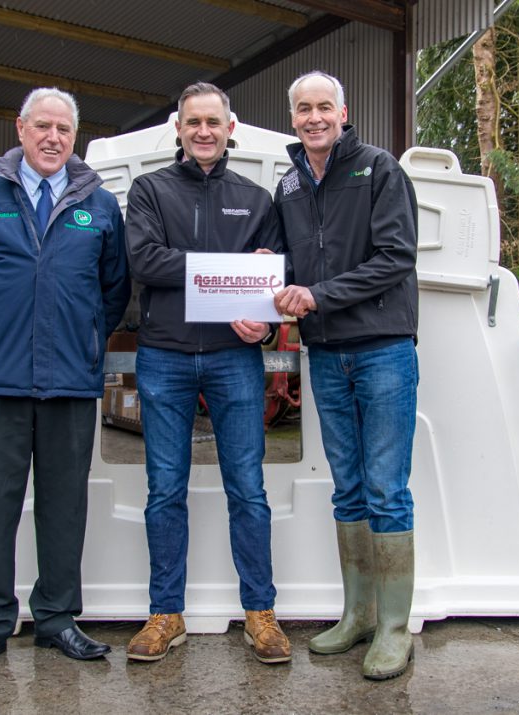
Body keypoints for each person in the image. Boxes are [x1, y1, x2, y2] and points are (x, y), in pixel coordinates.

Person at [0, 87, 131, 678]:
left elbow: (114, 291)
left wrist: (84, 338)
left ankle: (58, 619)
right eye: (42, 126)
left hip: (70, 379)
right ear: (20, 129)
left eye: (63, 129)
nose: (52, 138)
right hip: (0, 380)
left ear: (75, 137)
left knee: (64, 504)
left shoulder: (99, 204)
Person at [123, 82, 291, 664]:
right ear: (178, 127)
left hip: (233, 358)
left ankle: (260, 613)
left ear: (229, 127)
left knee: (248, 488)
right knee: (164, 489)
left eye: (212, 122)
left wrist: (264, 326)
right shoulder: (149, 190)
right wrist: (229, 269)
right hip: (164, 355)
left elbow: (271, 284)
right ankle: (166, 614)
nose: (203, 131)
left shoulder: (256, 199)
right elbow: (145, 260)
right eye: (193, 121)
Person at [272, 71, 419, 680]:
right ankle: (358, 614)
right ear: (293, 117)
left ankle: (394, 627)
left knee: (387, 489)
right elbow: (288, 261)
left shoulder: (378, 169)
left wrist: (318, 296)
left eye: (324, 107)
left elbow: (396, 257)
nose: (314, 118)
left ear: (343, 111)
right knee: (349, 488)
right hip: (327, 353)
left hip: (383, 349)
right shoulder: (288, 184)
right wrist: (268, 270)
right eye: (304, 109)